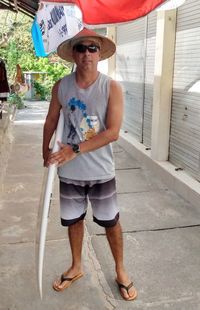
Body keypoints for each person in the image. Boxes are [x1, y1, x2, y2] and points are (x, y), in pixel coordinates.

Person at [42, 28, 137, 302]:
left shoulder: (111, 87)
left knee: (111, 222)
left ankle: (120, 269)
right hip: (69, 172)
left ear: (99, 54)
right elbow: (51, 120)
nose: (87, 53)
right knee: (73, 221)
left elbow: (113, 132)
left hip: (101, 171)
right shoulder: (61, 86)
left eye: (92, 48)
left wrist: (74, 150)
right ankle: (76, 265)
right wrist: (44, 152)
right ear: (73, 53)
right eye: (81, 48)